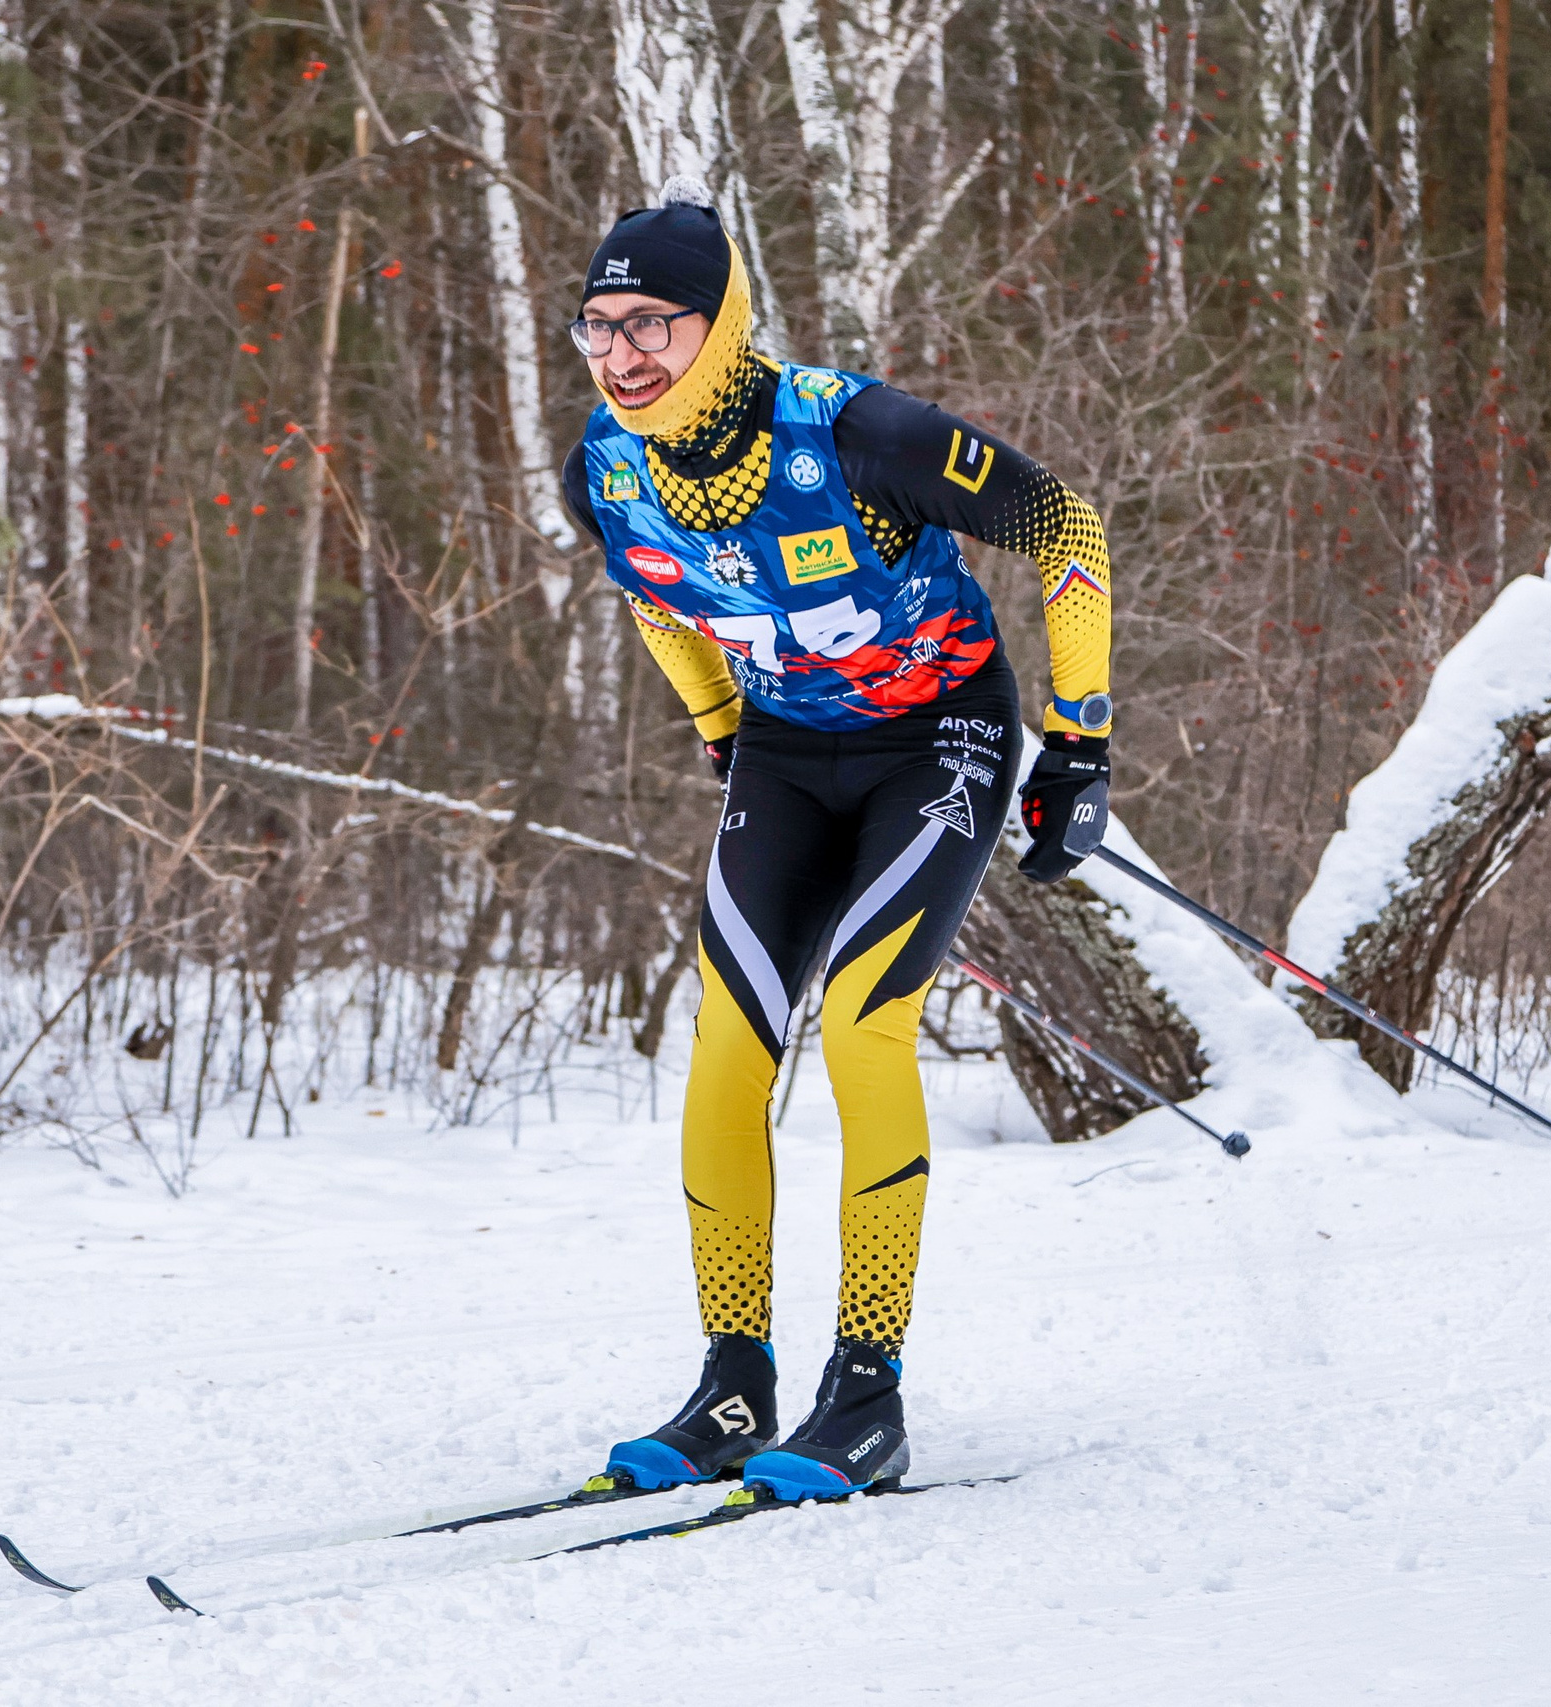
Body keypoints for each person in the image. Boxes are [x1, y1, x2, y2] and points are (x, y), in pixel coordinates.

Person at [560, 178, 1117, 1504]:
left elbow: (1065, 526)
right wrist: (713, 720)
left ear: (725, 320)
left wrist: (1080, 736)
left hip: (940, 738)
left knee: (866, 1025)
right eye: (599, 325)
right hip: (786, 753)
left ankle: (866, 1394)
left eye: (655, 323)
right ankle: (732, 1384)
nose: (625, 353)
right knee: (727, 1045)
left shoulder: (852, 429)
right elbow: (654, 592)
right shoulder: (605, 464)